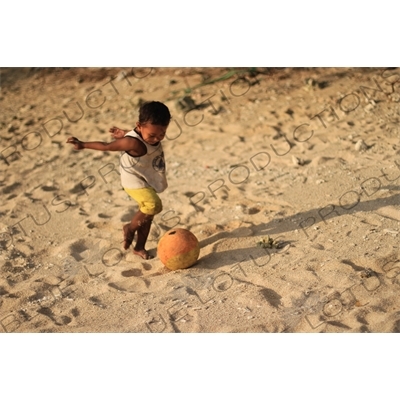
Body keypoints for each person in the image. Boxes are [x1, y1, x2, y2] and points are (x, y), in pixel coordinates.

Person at [66, 101, 171, 260]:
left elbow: (137, 133)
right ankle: (129, 228)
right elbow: (106, 146)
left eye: (161, 134)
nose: (156, 138)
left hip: (146, 177)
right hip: (134, 181)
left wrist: (125, 131)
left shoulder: (143, 132)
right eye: (152, 135)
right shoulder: (131, 142)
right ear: (139, 126)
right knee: (153, 205)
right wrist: (82, 144)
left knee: (148, 216)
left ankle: (139, 247)